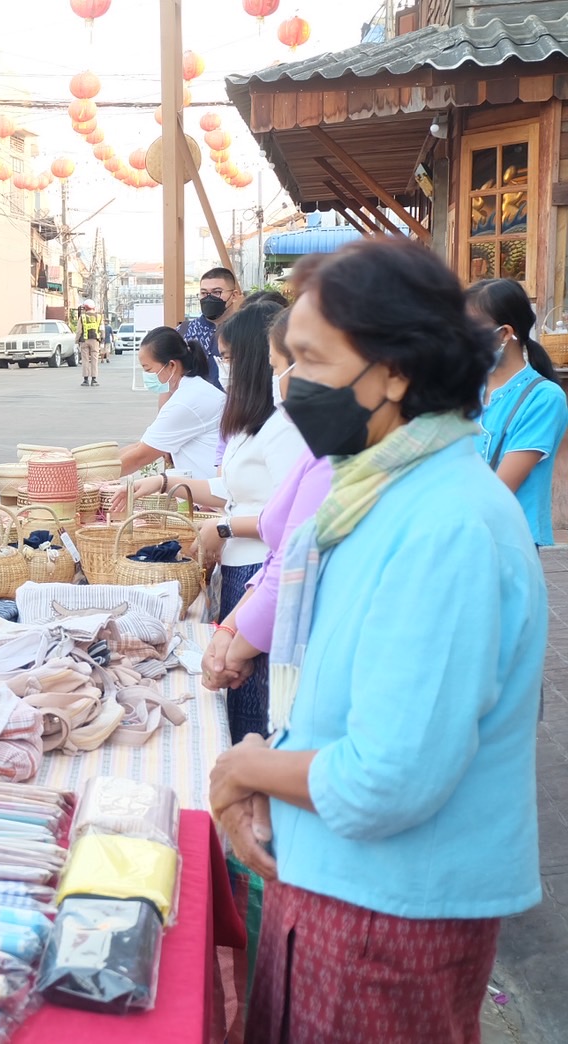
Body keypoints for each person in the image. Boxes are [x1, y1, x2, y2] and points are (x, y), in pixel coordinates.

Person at [209, 238, 545, 1044]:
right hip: (339, 887)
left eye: (314, 362)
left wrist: (246, 765)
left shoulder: (447, 526)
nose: (293, 388)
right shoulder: (378, 492)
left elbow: (385, 782)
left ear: (394, 371)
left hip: (388, 916)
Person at [126, 303, 302, 740]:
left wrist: (224, 528)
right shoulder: (253, 423)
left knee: (254, 709)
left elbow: (292, 519)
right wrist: (168, 481)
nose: (224, 369)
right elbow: (228, 488)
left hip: (263, 569)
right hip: (244, 569)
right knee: (238, 703)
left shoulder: (286, 428)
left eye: (231, 359)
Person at [201, 306, 332, 722]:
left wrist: (232, 649)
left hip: (273, 596)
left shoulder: (314, 442)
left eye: (229, 358)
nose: (224, 368)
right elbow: (281, 548)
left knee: (263, 719)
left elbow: (293, 555)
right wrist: (229, 631)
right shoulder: (276, 427)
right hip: (257, 583)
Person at [466, 277, 568, 547]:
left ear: (503, 333)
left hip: (510, 541)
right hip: (464, 534)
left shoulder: (544, 398)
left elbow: (501, 487)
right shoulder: (465, 388)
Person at [118, 327, 225, 479]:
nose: (147, 376)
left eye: (148, 369)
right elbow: (141, 445)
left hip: (213, 494)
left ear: (171, 365)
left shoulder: (186, 402)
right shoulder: (194, 390)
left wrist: (85, 477)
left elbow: (139, 457)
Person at [181, 266, 243, 389]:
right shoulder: (183, 332)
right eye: (204, 293)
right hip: (193, 406)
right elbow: (169, 382)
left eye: (216, 292)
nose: (209, 298)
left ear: (234, 295)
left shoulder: (247, 331)